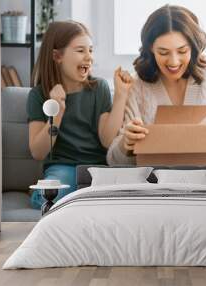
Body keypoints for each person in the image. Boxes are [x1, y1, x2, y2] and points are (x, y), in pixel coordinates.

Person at [107, 5, 206, 165]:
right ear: (151, 48)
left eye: (182, 51)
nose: (173, 61)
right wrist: (126, 144)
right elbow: (113, 160)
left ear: (193, 47)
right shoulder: (137, 87)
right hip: (155, 187)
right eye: (163, 52)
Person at [27, 21, 132, 209]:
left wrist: (121, 95)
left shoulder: (99, 88)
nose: (89, 57)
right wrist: (56, 112)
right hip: (63, 168)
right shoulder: (38, 95)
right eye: (80, 50)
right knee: (52, 197)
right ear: (57, 56)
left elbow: (107, 140)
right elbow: (38, 151)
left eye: (90, 50)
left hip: (97, 168)